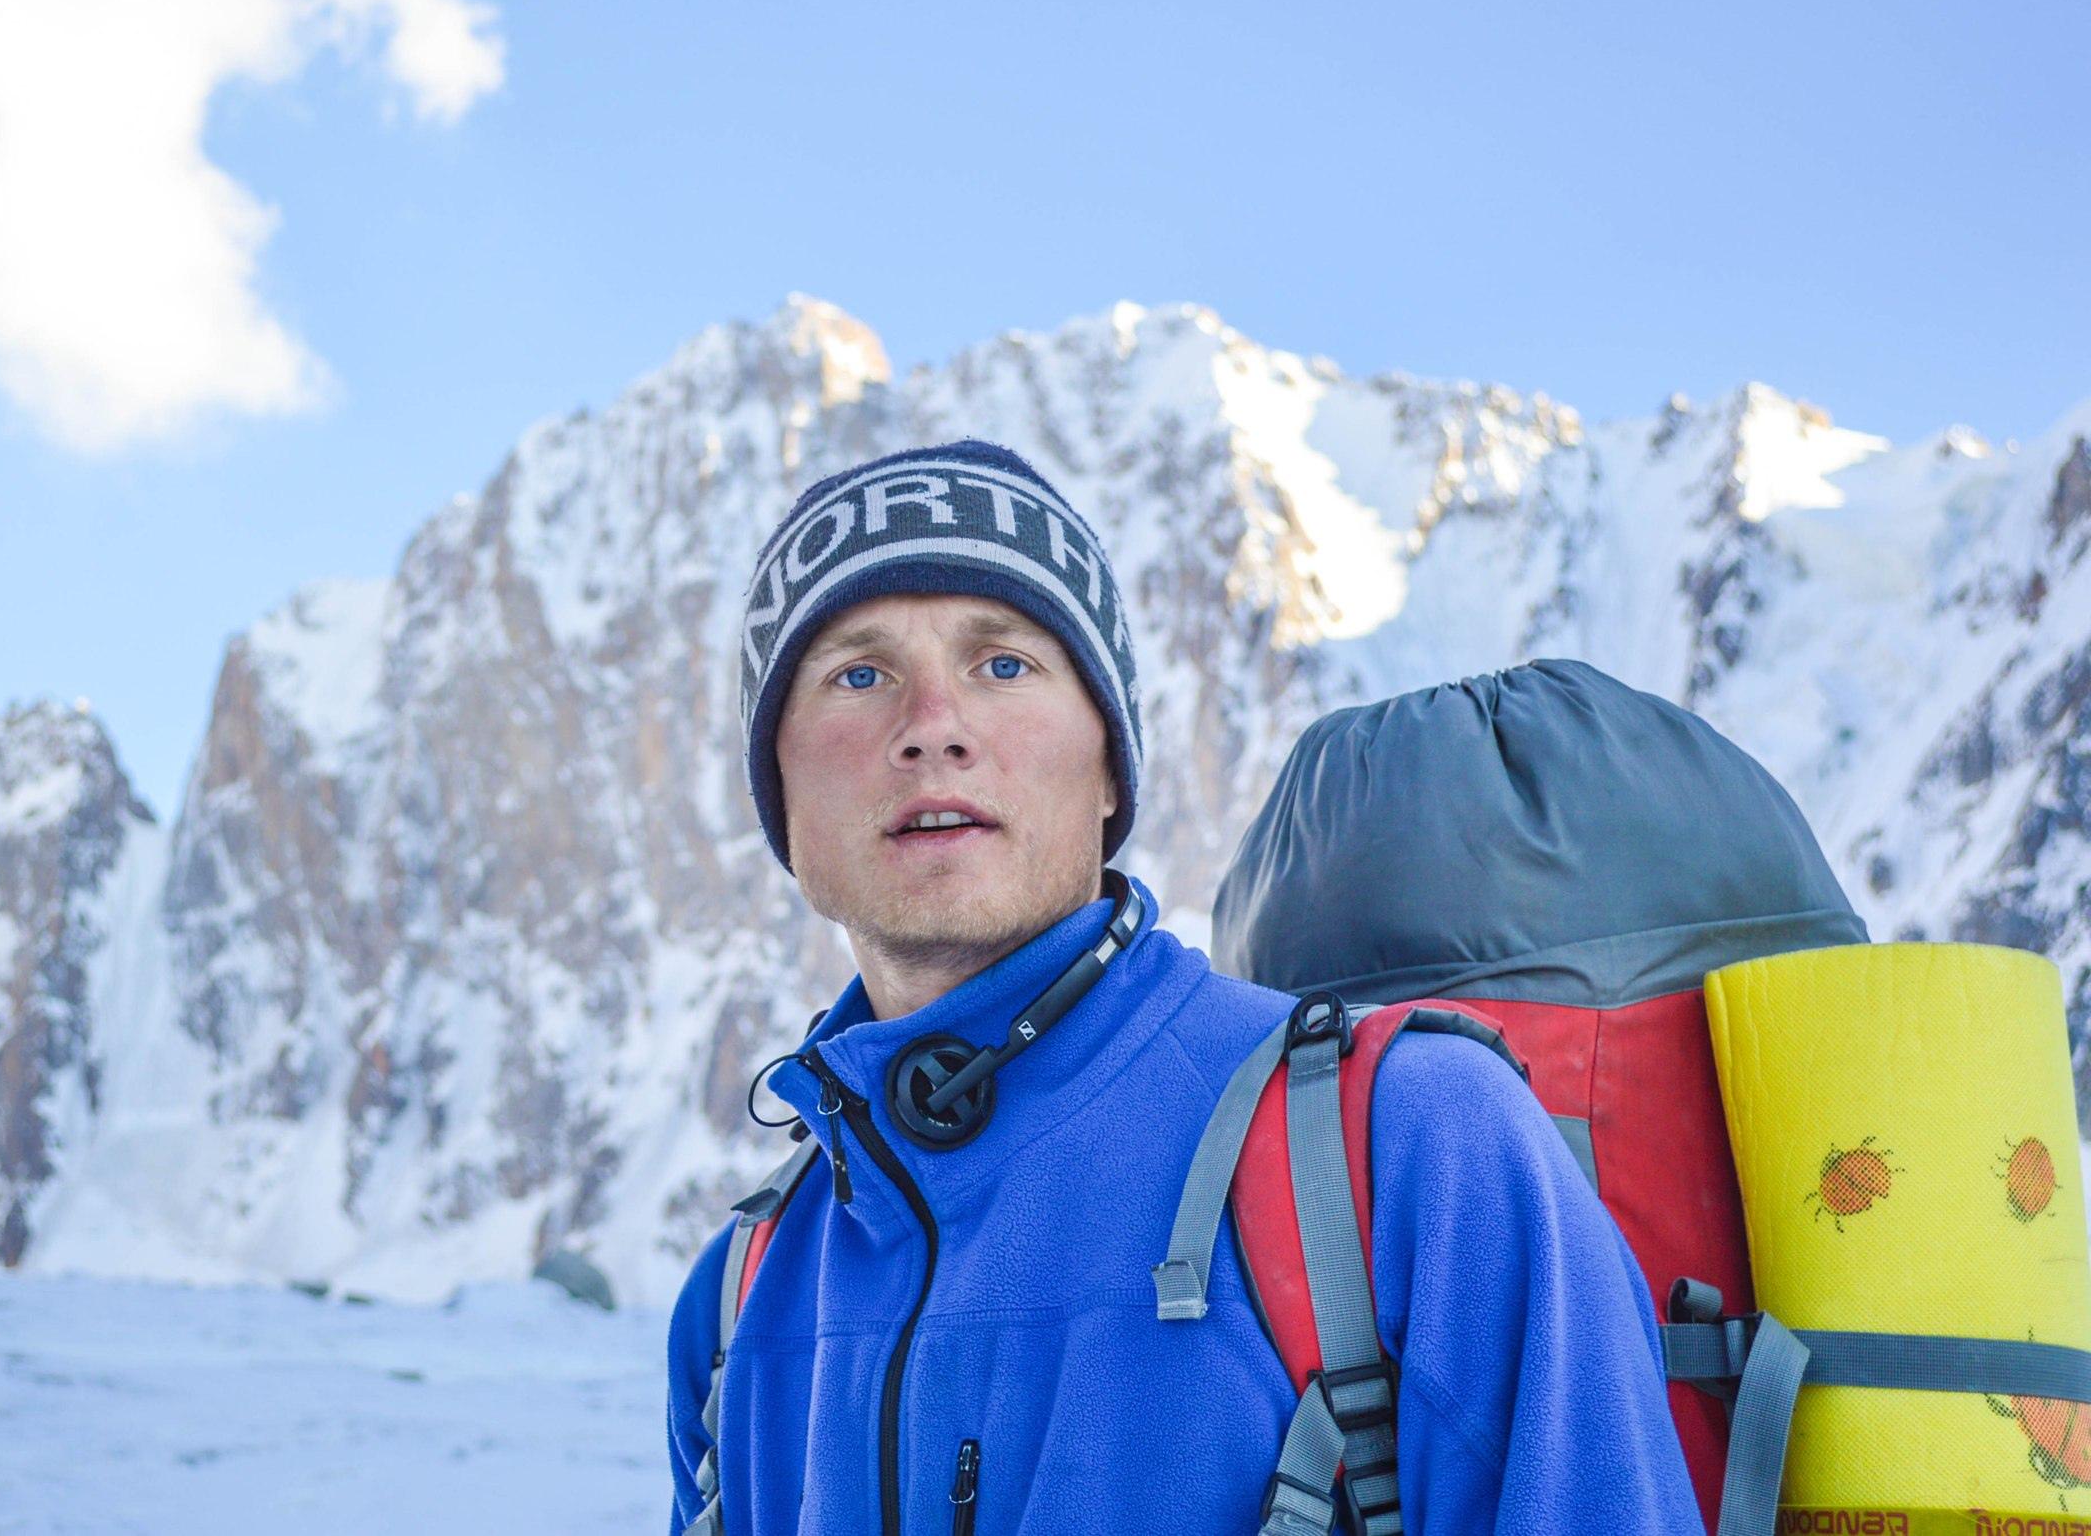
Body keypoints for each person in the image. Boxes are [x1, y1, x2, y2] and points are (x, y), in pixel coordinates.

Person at [665, 439, 1704, 1535]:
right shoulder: (739, 1303)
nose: (933, 724)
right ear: (776, 789)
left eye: (1004, 663)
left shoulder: (1412, 1148)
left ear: (1112, 761)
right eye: (856, 674)